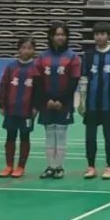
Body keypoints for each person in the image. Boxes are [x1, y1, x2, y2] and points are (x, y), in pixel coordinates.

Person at [78, 22, 110, 180]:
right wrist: (82, 100)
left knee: (109, 136)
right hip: (91, 103)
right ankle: (91, 166)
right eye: (97, 34)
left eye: (103, 34)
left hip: (109, 103)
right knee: (90, 137)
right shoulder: (88, 55)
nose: (99, 37)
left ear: (108, 36)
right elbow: (83, 78)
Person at [36, 22, 82, 180]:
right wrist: (46, 100)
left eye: (63, 34)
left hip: (65, 103)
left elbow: (73, 81)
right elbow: (38, 81)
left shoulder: (72, 57)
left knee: (61, 134)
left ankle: (59, 167)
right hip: (46, 103)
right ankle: (50, 166)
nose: (60, 37)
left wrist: (61, 100)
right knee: (49, 134)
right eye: (57, 34)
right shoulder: (42, 57)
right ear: (50, 36)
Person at [0, 37, 38, 179]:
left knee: (25, 137)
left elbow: (39, 89)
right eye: (23, 47)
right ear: (18, 49)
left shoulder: (36, 68)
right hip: (11, 109)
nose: (26, 51)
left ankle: (21, 166)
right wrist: (1, 104)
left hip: (27, 110)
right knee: (10, 136)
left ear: (34, 50)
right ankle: (9, 165)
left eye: (29, 48)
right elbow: (3, 85)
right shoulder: (11, 67)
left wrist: (36, 106)